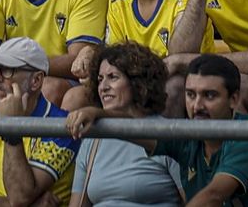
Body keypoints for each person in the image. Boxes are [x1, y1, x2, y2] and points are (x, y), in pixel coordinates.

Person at [0, 38, 80, 207]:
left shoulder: (62, 127)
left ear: (36, 81)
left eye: (7, 70)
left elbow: (20, 196)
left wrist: (11, 128)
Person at [63, 43, 184, 207]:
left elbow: (196, 201)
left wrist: (99, 114)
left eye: (113, 77)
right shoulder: (92, 140)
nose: (103, 87)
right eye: (99, 80)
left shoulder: (167, 134)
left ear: (137, 82)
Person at [152, 54, 248, 206]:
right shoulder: (188, 132)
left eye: (209, 95)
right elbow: (137, 128)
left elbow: (213, 197)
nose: (197, 106)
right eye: (190, 95)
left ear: (234, 99)